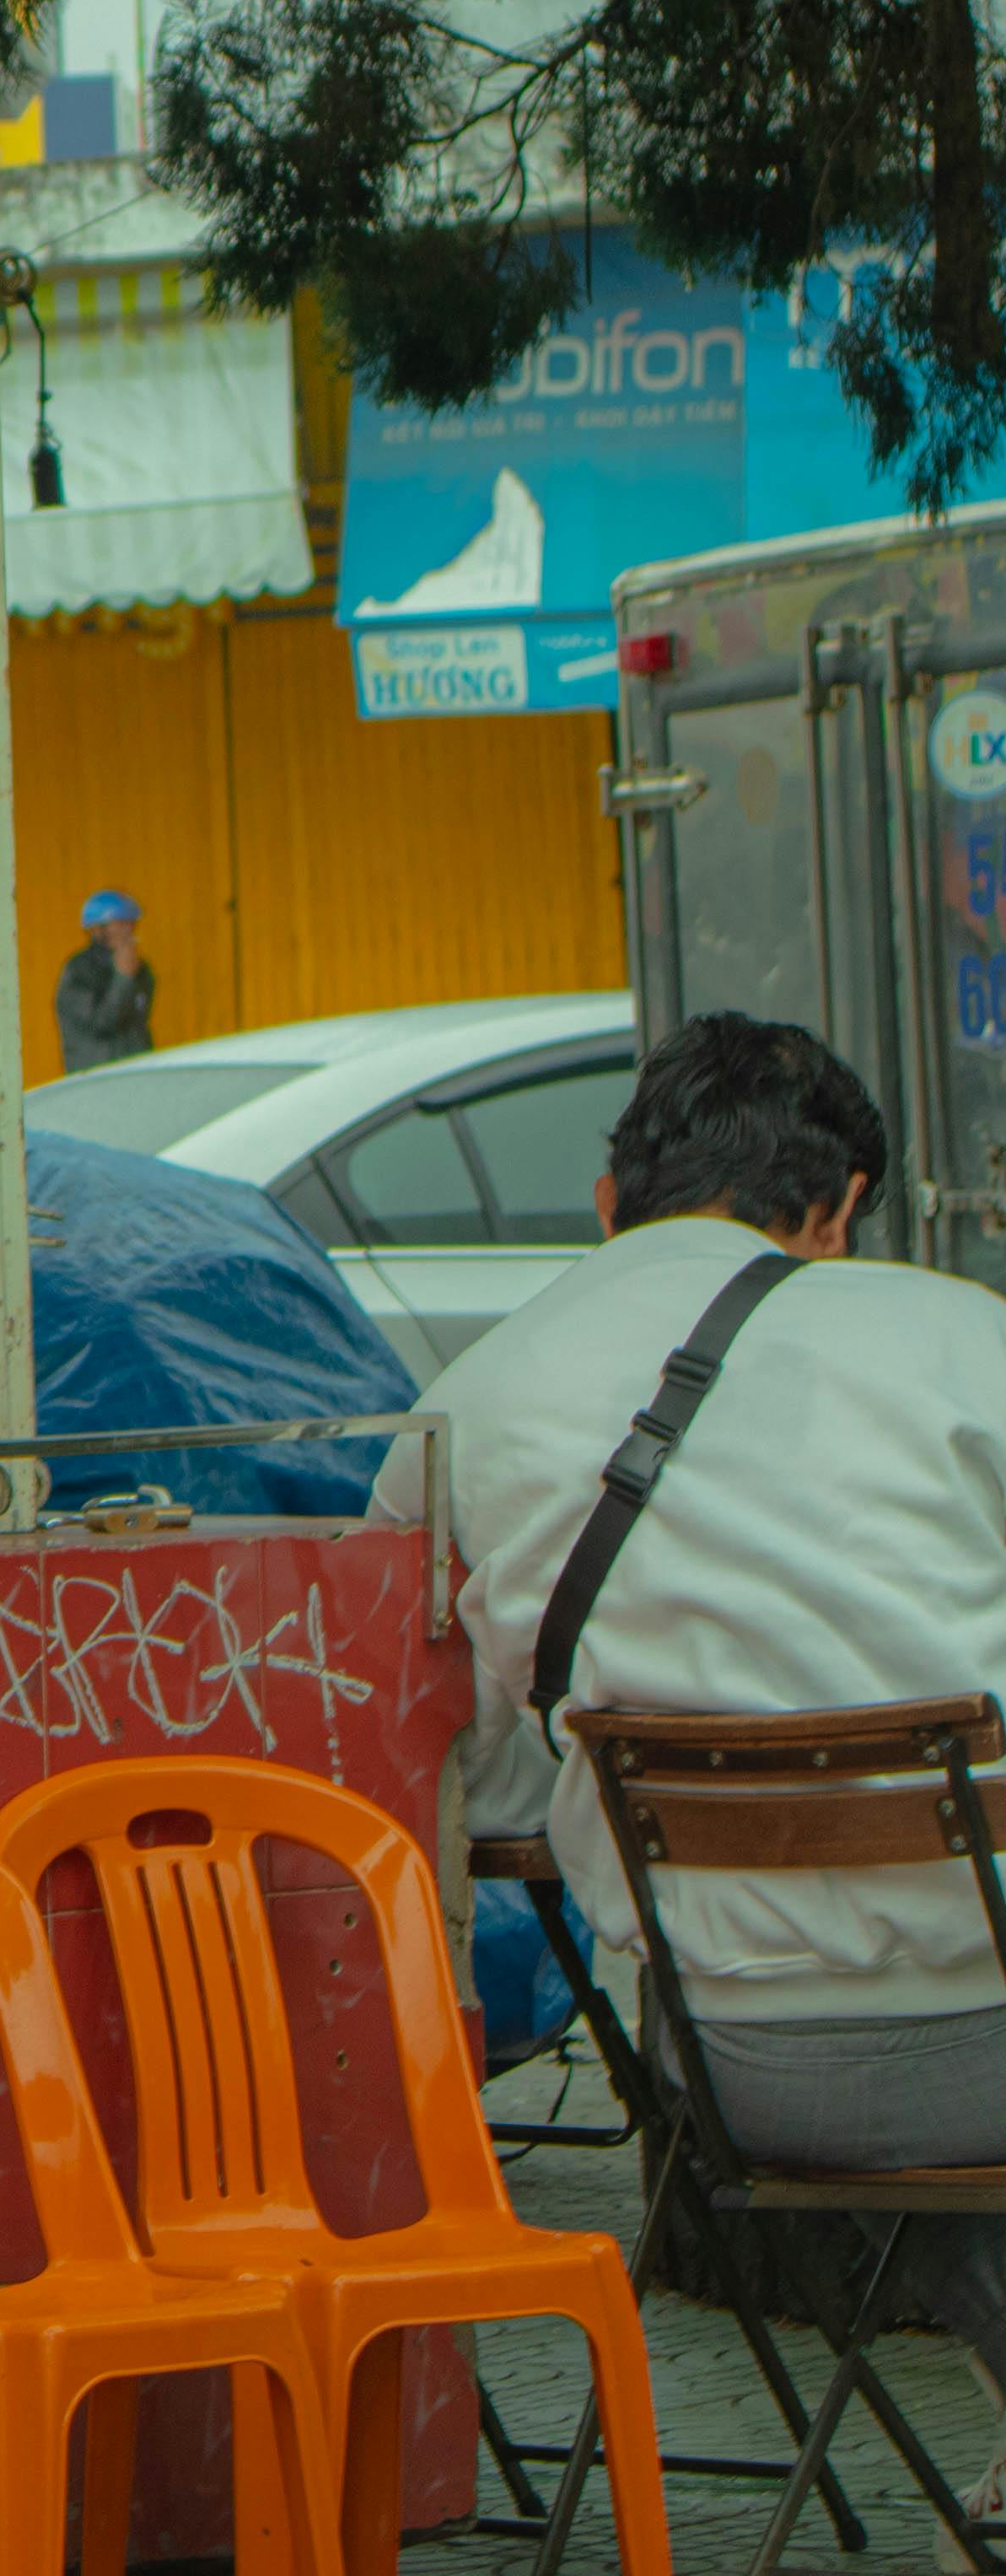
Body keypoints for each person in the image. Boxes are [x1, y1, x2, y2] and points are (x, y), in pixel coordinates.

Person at [368, 1013, 1006, 2394]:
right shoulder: (962, 1339)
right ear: (837, 1213)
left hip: (730, 2071)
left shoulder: (462, 1409)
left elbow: (454, 1762)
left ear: (609, 1207)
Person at [56, 888, 155, 1072]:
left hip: (135, 1076)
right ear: (96, 929)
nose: (128, 930)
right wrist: (123, 979)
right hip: (97, 1080)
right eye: (120, 923)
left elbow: (139, 1024)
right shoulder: (78, 971)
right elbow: (101, 1023)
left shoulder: (141, 970)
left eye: (131, 923)